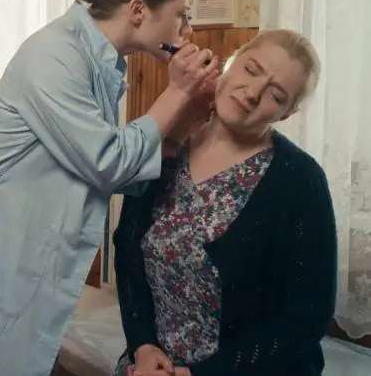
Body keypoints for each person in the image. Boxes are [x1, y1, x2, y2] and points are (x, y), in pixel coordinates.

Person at [0, 0, 221, 376]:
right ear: (138, 10)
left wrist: (180, 129)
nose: (186, 28)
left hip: (20, 237)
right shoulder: (54, 54)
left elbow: (108, 166)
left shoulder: (101, 60)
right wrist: (178, 91)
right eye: (181, 14)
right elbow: (107, 162)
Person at [114, 29, 337, 376]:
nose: (252, 93)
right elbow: (128, 252)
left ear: (286, 113)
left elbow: (307, 318)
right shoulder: (167, 146)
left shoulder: (301, 180)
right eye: (251, 69)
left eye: (275, 95)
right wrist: (142, 345)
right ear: (230, 61)